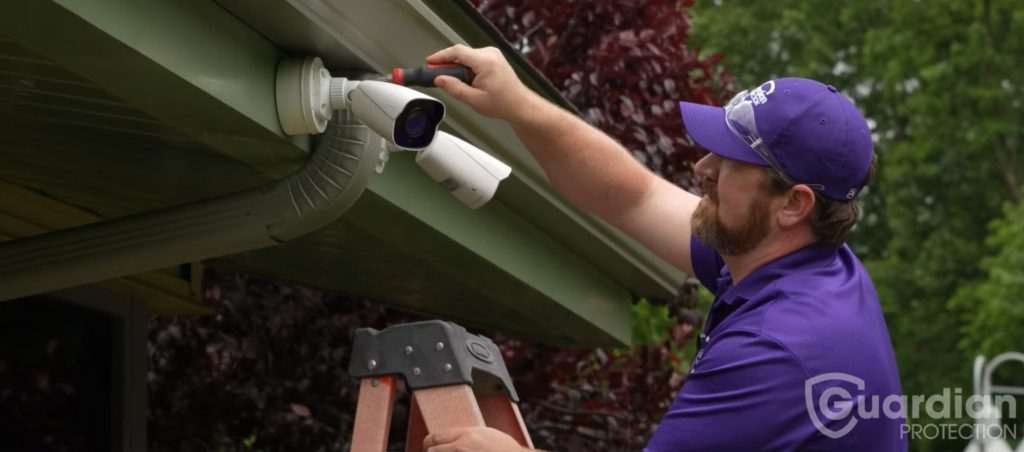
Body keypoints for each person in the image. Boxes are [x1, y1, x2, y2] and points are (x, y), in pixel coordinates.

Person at [419, 45, 906, 451]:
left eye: (731, 160)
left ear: (793, 205)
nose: (702, 167)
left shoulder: (778, 351)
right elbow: (633, 194)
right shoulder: (794, 259)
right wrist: (517, 105)